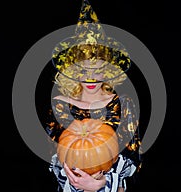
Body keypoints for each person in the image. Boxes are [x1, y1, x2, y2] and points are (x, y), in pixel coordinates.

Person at [40, 1, 142, 191]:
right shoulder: (60, 106)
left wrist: (102, 184)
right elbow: (56, 158)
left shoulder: (123, 103)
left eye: (98, 69)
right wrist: (81, 183)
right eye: (83, 69)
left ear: (108, 70)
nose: (91, 77)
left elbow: (132, 157)